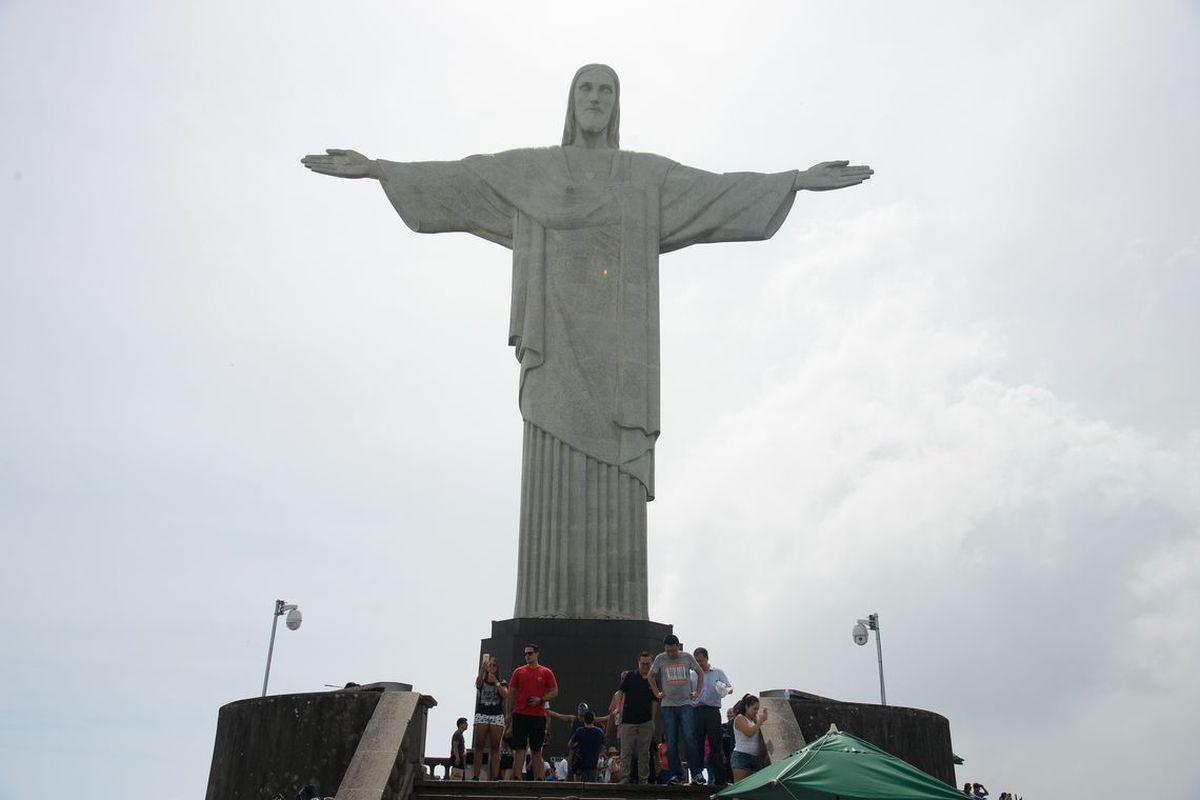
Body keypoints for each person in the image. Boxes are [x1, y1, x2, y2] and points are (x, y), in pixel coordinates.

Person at [301, 65, 873, 622]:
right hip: (553, 345)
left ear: (616, 104)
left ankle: (615, 612)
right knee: (550, 457)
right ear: (571, 101)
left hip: (620, 358)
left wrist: (793, 181)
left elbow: (716, 193)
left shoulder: (645, 177)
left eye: (606, 89)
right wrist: (379, 169)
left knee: (616, 465)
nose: (595, 97)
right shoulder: (534, 172)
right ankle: (545, 606)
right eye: (586, 88)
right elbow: (464, 178)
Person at [648, 635, 704, 784]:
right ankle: (676, 775)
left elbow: (700, 672)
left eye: (673, 651)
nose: (671, 654)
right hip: (668, 705)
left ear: (678, 647)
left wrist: (697, 691)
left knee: (689, 738)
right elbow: (650, 675)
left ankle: (697, 774)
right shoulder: (661, 658)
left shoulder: (687, 657)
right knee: (671, 741)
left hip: (685, 704)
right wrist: (656, 692)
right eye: (668, 651)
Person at [506, 643, 558, 780]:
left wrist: (540, 699)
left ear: (536, 654)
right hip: (520, 714)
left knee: (536, 749)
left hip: (538, 715)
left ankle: (539, 779)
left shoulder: (546, 672)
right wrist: (508, 713)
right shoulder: (519, 671)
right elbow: (511, 693)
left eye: (530, 653)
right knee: (520, 748)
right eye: (525, 654)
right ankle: (517, 777)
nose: (527, 656)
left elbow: (554, 691)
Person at [691, 646, 732, 785]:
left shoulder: (717, 672)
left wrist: (723, 689)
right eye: (696, 661)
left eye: (700, 661)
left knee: (715, 743)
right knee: (698, 744)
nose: (699, 664)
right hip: (697, 710)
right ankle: (697, 776)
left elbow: (730, 688)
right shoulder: (692, 674)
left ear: (707, 659)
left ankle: (720, 778)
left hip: (712, 711)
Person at [615, 652, 657, 784]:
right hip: (628, 720)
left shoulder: (653, 679)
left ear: (651, 663)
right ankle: (625, 776)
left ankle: (643, 778)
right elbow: (620, 692)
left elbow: (655, 701)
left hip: (646, 720)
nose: (645, 666)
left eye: (648, 664)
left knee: (644, 752)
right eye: (643, 663)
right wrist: (618, 709)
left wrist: (652, 719)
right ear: (638, 663)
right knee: (626, 750)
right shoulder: (630, 676)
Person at [472, 654, 509, 780]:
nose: (492, 667)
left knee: (495, 747)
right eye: (490, 665)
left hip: (496, 715)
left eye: (494, 665)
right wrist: (483, 669)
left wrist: (496, 682)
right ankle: (476, 775)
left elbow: (505, 695)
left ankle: (495, 775)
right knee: (479, 745)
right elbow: (477, 684)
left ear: (497, 668)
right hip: (482, 713)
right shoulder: (482, 680)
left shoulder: (502, 682)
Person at [731, 694, 767, 781]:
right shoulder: (740, 718)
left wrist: (761, 720)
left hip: (756, 757)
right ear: (746, 707)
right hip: (742, 757)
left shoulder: (753, 720)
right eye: (754, 709)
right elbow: (749, 732)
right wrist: (760, 722)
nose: (756, 712)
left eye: (757, 709)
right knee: (740, 790)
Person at [568, 710, 606, 782]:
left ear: (584, 720)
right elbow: (603, 747)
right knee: (592, 787)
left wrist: (577, 744)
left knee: (579, 787)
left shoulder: (580, 731)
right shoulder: (599, 732)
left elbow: (570, 744)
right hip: (593, 764)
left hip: (581, 763)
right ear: (593, 720)